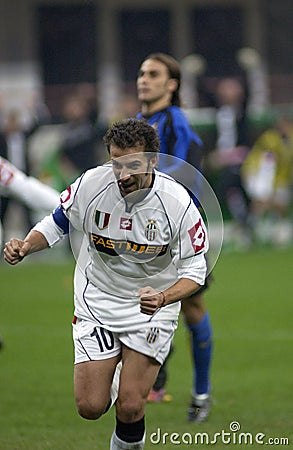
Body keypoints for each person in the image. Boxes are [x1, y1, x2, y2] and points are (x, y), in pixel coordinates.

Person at [4, 118, 208, 449]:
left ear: (153, 160)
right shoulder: (91, 185)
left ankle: (127, 385)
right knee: (90, 406)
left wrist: (164, 297)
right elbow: (57, 223)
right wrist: (27, 245)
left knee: (130, 406)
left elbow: (195, 269)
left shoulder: (177, 203)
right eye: (116, 164)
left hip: (151, 309)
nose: (124, 174)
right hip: (97, 302)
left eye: (133, 165)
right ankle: (114, 372)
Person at [136, 53, 213, 422]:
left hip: (179, 235)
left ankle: (200, 394)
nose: (143, 80)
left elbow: (184, 180)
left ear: (171, 85)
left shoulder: (177, 123)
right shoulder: (137, 124)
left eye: (153, 74)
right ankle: (154, 379)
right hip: (140, 234)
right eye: (141, 74)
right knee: (140, 303)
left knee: (191, 307)